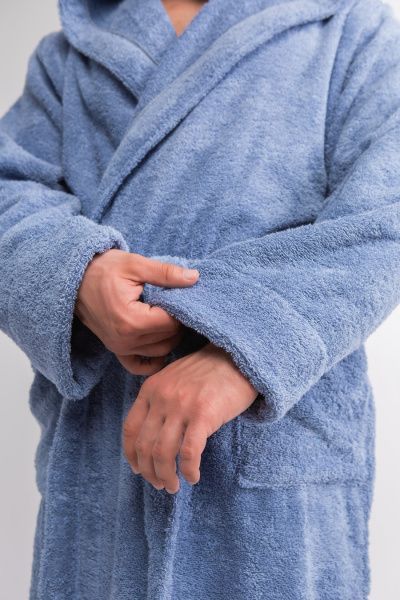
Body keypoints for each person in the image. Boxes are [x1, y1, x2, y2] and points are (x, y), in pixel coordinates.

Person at [1, 0, 399, 597]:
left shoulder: (350, 30)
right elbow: (8, 193)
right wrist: (79, 274)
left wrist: (244, 348)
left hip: (273, 467)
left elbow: (384, 222)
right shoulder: (73, 51)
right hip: (103, 468)